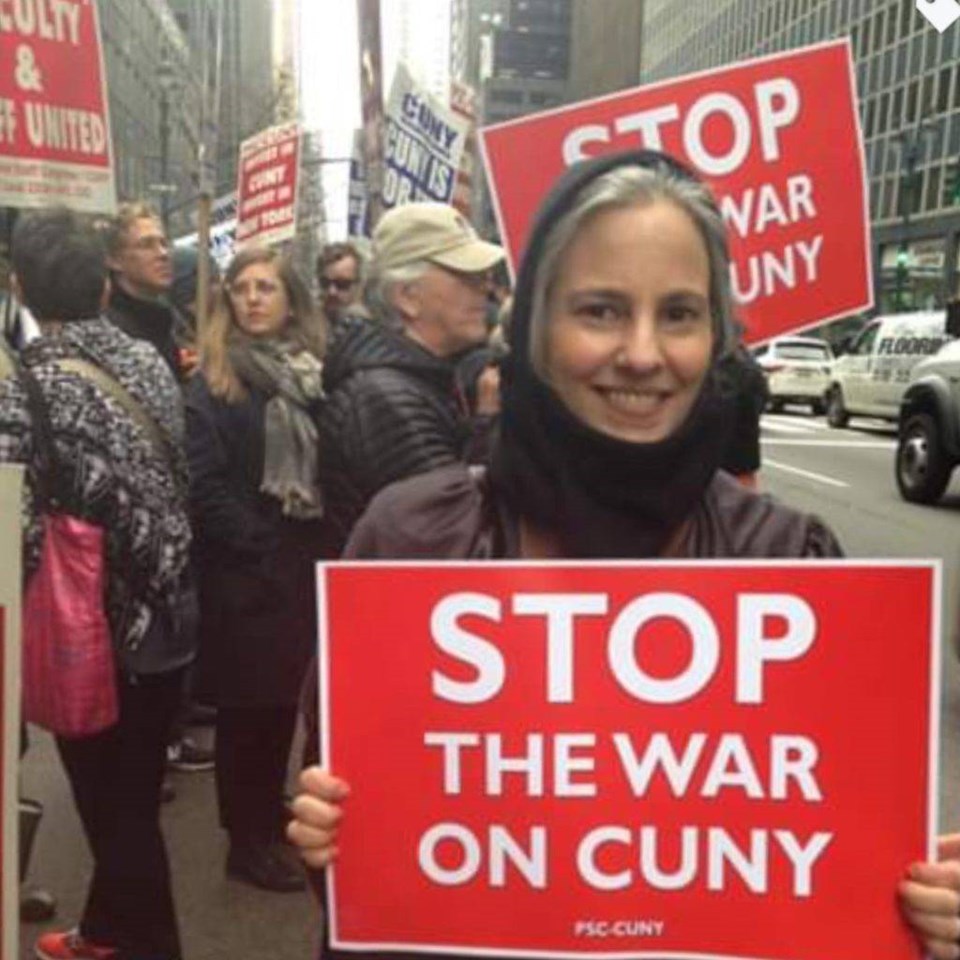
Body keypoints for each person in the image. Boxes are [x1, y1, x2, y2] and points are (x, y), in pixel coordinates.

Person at [285, 150, 956, 959]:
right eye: (601, 310)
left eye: (679, 313)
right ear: (534, 328)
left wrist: (917, 901)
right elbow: (354, 823)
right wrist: (333, 834)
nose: (643, 353)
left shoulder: (791, 560)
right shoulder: (408, 540)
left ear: (717, 335)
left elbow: (834, 852)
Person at [0, 207, 193, 960]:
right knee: (135, 795)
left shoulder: (26, 389)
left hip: (96, 635)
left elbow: (11, 528)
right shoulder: (149, 358)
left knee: (113, 810)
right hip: (171, 614)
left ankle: (152, 946)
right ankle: (108, 930)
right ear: (105, 289)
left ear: (19, 286)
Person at [185, 246, 326, 893]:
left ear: (291, 299)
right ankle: (245, 840)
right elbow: (204, 484)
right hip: (244, 575)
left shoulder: (307, 373)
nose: (252, 299)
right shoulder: (214, 380)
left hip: (296, 569)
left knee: (278, 707)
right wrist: (259, 547)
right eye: (241, 289)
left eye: (266, 287)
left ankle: (266, 809)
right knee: (246, 713)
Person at [319, 202, 504, 555]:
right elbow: (454, 537)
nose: (486, 287)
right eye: (466, 276)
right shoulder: (385, 399)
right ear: (407, 297)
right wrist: (488, 423)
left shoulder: (419, 378)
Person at [100, 202, 187, 380]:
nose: (163, 253)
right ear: (114, 260)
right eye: (146, 245)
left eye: (164, 243)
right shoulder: (110, 332)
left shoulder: (170, 321)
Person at [316, 241, 365, 329]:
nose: (332, 291)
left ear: (359, 286)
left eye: (342, 284)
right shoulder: (307, 329)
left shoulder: (373, 334)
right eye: (325, 283)